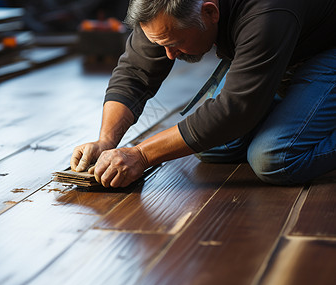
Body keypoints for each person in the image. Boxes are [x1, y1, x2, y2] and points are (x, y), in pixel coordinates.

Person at [70, 0, 336, 188]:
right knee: (215, 147)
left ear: (210, 11)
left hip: (326, 50)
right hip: (283, 47)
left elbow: (235, 108)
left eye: (175, 44)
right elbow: (135, 71)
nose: (169, 56)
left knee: (274, 157)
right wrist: (105, 141)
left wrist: (141, 155)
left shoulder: (267, 10)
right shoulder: (161, 8)